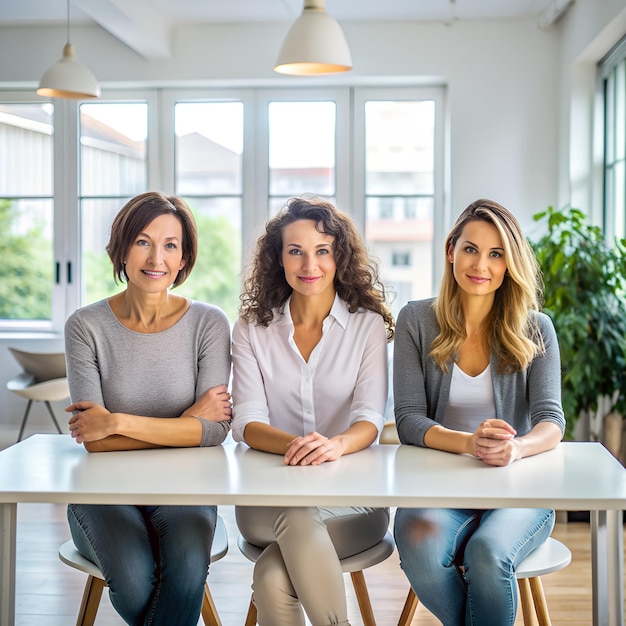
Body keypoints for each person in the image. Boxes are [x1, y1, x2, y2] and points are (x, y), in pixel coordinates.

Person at [393, 198, 566, 626]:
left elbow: (551, 419)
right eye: (470, 249)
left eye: (496, 254)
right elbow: (409, 419)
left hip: (518, 488)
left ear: (510, 263)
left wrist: (517, 449)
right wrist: (469, 444)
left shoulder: (535, 327)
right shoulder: (416, 320)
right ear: (451, 249)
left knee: (488, 553)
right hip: (440, 485)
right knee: (416, 538)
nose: (480, 265)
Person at [64, 191, 232, 626]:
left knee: (187, 570)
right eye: (142, 241)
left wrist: (117, 421)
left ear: (183, 258)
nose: (156, 257)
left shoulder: (208, 323)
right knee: (137, 581)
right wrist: (187, 422)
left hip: (185, 490)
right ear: (121, 248)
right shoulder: (85, 326)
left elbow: (215, 433)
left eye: (170, 245)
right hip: (103, 492)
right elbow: (94, 443)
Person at [231, 197, 394, 626]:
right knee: (296, 514)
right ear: (277, 258)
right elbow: (246, 422)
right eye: (295, 251)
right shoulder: (252, 328)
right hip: (264, 504)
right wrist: (302, 446)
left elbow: (370, 419)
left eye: (322, 250)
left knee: (270, 575)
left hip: (353, 504)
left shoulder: (366, 326)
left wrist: (335, 445)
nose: (310, 264)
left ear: (339, 256)